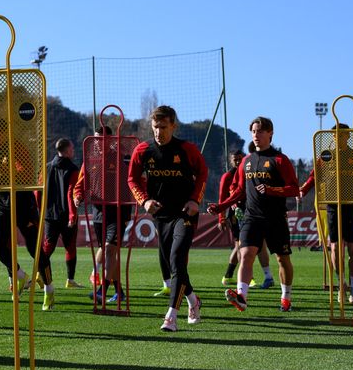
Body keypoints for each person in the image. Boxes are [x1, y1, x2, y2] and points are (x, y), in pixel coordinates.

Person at [128, 106, 207, 333]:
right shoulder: (143, 150)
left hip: (185, 213)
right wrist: (144, 201)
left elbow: (203, 173)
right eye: (155, 127)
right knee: (172, 264)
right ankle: (193, 301)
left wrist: (195, 200)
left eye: (163, 127)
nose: (158, 132)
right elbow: (132, 179)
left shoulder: (187, 149)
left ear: (174, 126)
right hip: (160, 215)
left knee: (176, 259)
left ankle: (171, 316)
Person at [209, 116, 299, 313]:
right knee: (246, 254)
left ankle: (286, 297)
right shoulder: (246, 162)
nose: (256, 135)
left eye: (260, 131)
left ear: (270, 133)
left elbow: (294, 189)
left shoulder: (280, 160)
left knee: (282, 259)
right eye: (253, 131)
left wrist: (272, 190)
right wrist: (221, 207)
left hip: (275, 218)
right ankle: (242, 297)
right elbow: (240, 191)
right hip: (251, 217)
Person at [299, 125, 353, 304]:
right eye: (335, 135)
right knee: (335, 247)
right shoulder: (326, 155)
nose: (338, 138)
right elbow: (314, 176)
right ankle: (341, 284)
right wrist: (303, 189)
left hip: (352, 205)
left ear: (348, 136)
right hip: (333, 205)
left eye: (342, 135)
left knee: (352, 249)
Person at [71, 126, 135, 304]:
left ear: (110, 140)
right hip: (98, 212)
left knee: (109, 249)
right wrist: (78, 197)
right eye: (96, 139)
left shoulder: (120, 158)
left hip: (118, 212)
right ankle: (119, 291)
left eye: (102, 140)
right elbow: (81, 183)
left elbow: (129, 185)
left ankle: (102, 291)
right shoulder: (90, 159)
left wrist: (129, 210)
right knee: (109, 253)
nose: (98, 143)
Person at [218, 149, 274, 289]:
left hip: (253, 212)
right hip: (236, 214)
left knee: (258, 244)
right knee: (243, 246)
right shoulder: (227, 176)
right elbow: (222, 198)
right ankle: (250, 278)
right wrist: (221, 217)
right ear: (230, 160)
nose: (237, 162)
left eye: (239, 159)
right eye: (235, 159)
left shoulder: (251, 172)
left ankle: (230, 275)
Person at [38, 138, 81, 310]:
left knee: (47, 247)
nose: (74, 150)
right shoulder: (72, 168)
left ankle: (38, 275)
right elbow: (72, 192)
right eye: (72, 148)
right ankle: (70, 280)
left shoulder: (46, 166)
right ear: (68, 150)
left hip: (48, 215)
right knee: (70, 247)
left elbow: (37, 190)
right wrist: (73, 214)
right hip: (66, 215)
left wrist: (39, 210)